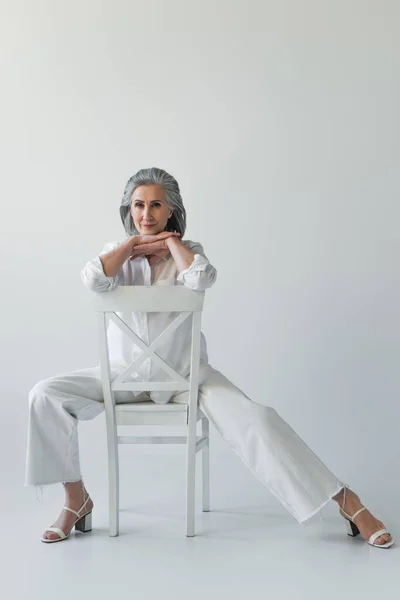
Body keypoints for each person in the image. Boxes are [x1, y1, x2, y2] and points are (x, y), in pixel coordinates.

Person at [25, 167, 393, 548]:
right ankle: (76, 499)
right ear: (128, 210)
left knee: (258, 419)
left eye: (156, 205)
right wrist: (134, 246)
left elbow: (202, 279)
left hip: (187, 378)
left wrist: (169, 245)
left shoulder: (190, 253)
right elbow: (93, 279)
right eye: (138, 205)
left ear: (171, 211)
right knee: (44, 394)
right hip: (122, 377)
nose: (146, 214)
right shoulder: (113, 256)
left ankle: (348, 501)